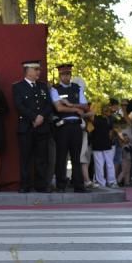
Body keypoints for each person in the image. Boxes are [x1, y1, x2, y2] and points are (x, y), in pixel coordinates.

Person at [13, 61, 54, 193]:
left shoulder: (42, 86)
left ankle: (41, 185)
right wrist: (34, 117)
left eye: (39, 69)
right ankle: (25, 185)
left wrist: (41, 116)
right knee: (26, 158)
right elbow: (19, 105)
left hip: (42, 127)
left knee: (42, 157)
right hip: (26, 127)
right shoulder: (18, 87)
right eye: (35, 69)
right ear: (27, 71)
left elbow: (48, 104)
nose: (38, 72)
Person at [50, 63, 89, 193]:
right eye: (64, 74)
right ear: (60, 75)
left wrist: (72, 105)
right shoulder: (55, 89)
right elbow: (58, 108)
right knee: (61, 156)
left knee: (76, 157)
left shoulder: (77, 88)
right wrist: (75, 109)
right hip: (63, 126)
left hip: (76, 125)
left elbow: (85, 106)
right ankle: (61, 184)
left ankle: (78, 184)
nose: (66, 77)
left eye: (68, 74)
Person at [90, 101, 120, 189]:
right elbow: (112, 131)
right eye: (105, 109)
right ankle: (107, 182)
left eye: (108, 109)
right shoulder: (109, 118)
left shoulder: (110, 118)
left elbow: (112, 131)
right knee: (104, 163)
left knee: (103, 163)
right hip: (102, 143)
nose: (106, 110)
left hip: (102, 143)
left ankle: (105, 182)